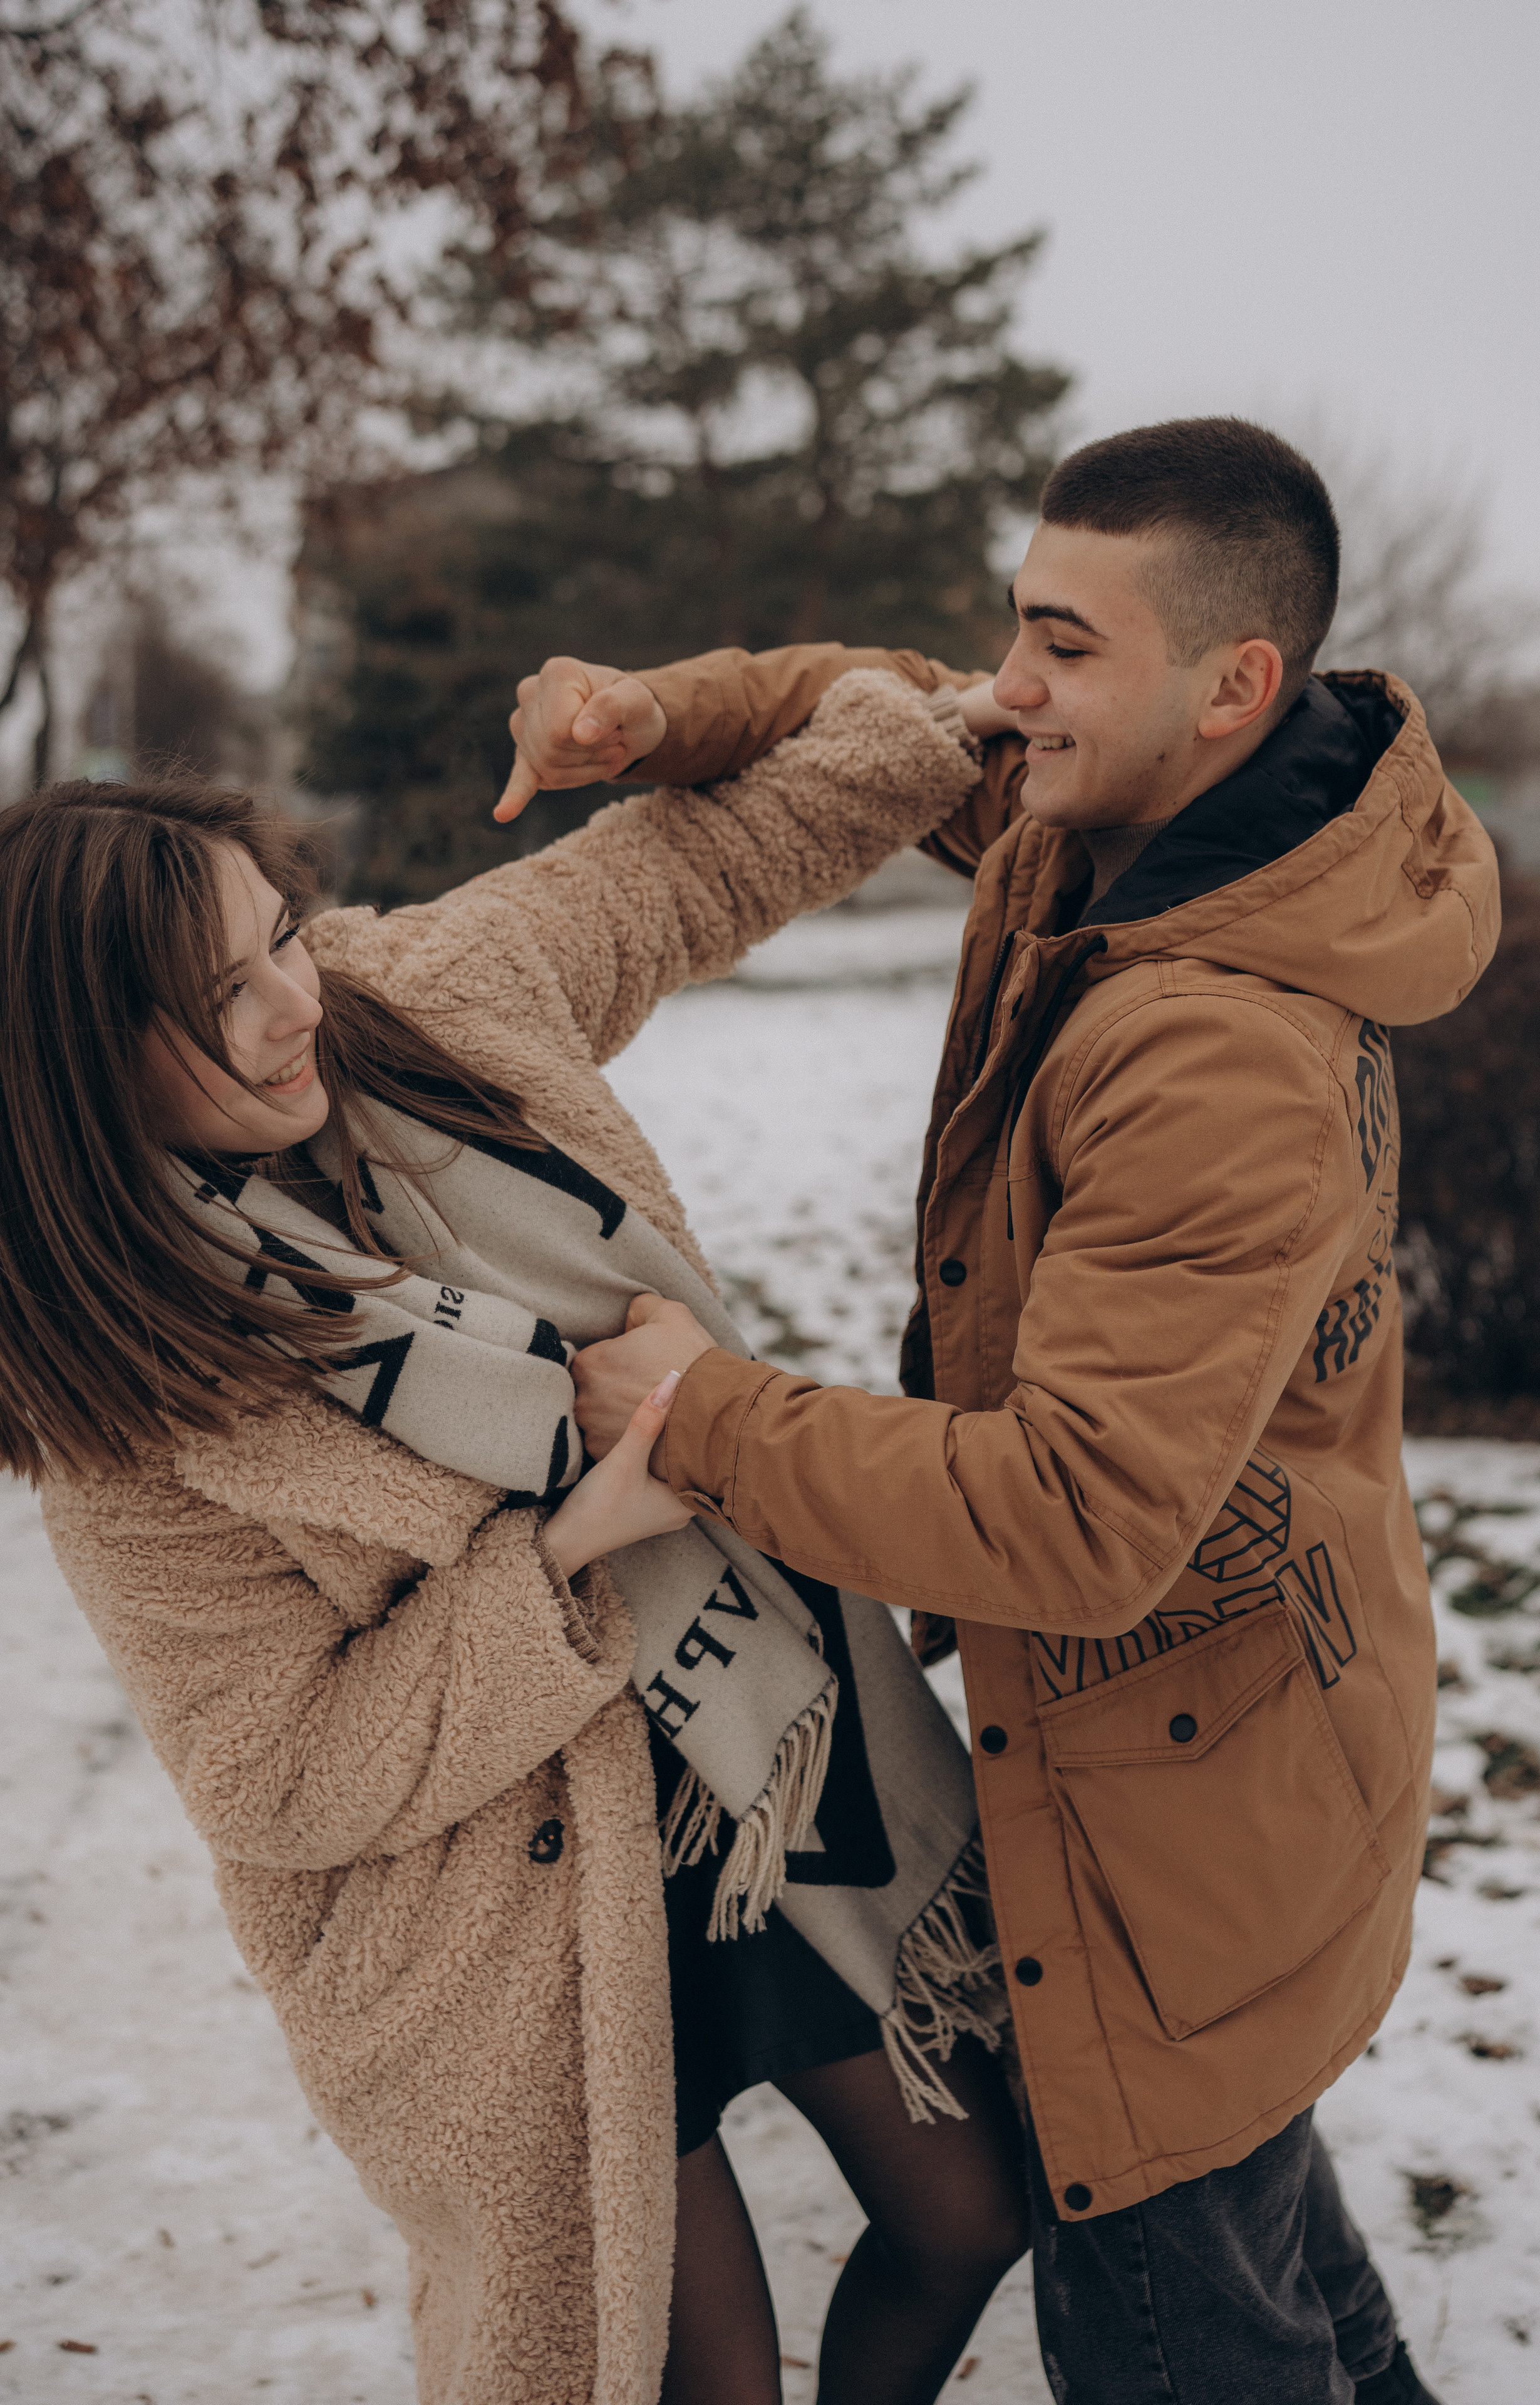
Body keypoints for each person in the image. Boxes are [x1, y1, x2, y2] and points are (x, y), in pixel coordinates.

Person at [502, 419, 1500, 2405]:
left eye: (1062, 644)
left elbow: (1070, 1516)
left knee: (1182, 2280)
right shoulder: (1135, 821)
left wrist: (702, 1414)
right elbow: (871, 701)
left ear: (1236, 684)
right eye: (1015, 628)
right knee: (1252, 2196)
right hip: (1249, 1740)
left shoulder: (1212, 1048)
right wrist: (662, 710)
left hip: (1182, 1799)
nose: (1006, 690)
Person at [0, 670, 1029, 2405]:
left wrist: (931, 729)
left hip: (754, 1736)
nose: (286, 1012)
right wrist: (561, 1554)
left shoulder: (430, 1005)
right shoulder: (131, 1408)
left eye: (282, 941)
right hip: (499, 1913)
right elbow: (281, 1772)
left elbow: (692, 863)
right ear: (78, 1074)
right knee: (682, 2373)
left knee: (971, 2212)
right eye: (212, 1001)